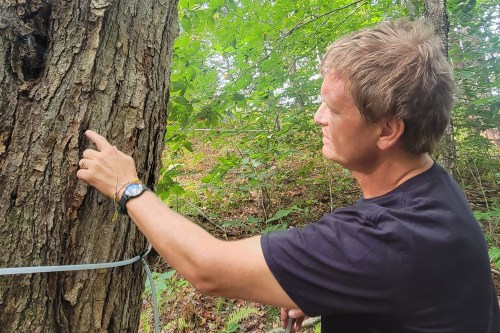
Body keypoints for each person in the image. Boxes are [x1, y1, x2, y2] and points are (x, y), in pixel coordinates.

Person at [77, 19, 499, 332]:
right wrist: (340, 294)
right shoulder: (432, 189)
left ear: (388, 130)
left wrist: (127, 187)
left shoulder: (386, 237)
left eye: (333, 109)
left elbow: (208, 269)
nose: (319, 118)